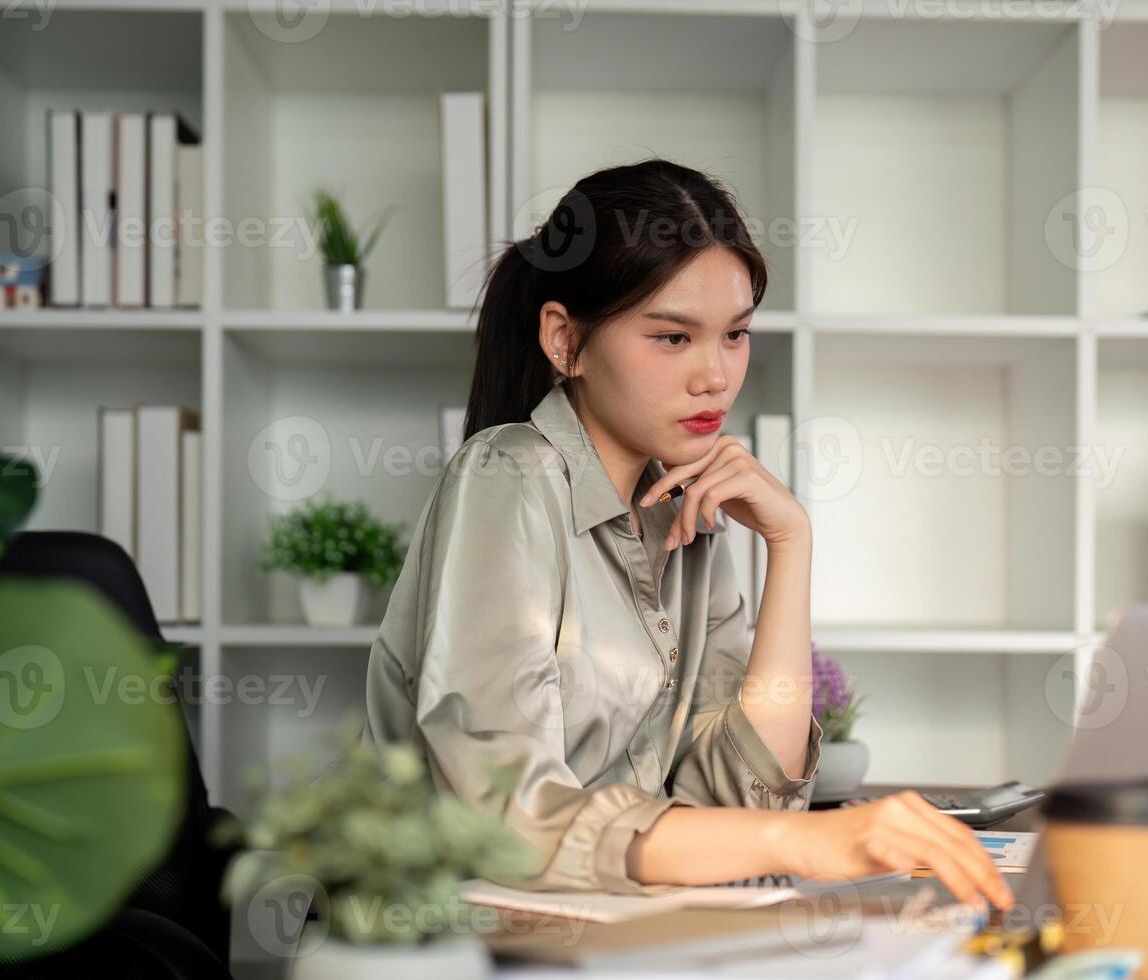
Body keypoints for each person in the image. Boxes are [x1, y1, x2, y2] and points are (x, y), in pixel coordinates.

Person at [366, 158, 1012, 911]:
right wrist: (804, 844)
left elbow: (741, 797)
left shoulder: (685, 509)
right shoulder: (508, 476)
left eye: (735, 334)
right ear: (564, 340)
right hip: (470, 940)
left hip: (622, 929)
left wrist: (791, 544)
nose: (716, 375)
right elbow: (506, 819)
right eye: (673, 338)